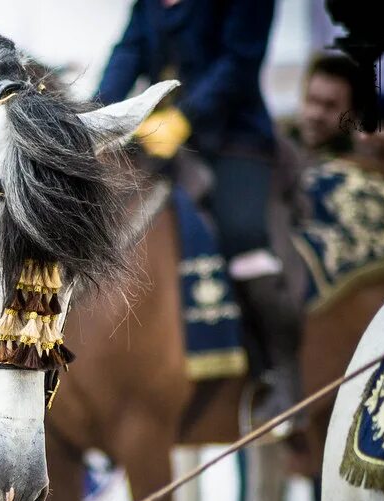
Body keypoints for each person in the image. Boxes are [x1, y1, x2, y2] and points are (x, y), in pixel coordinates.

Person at [97, 0, 301, 424]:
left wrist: (185, 119)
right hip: (159, 139)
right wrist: (96, 116)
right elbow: (127, 54)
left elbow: (239, 63)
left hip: (233, 139)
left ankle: (280, 374)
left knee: (243, 234)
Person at [292, 53, 368, 162]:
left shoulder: (362, 169)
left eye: (330, 106)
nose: (316, 114)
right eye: (311, 100)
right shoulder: (276, 150)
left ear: (353, 113)